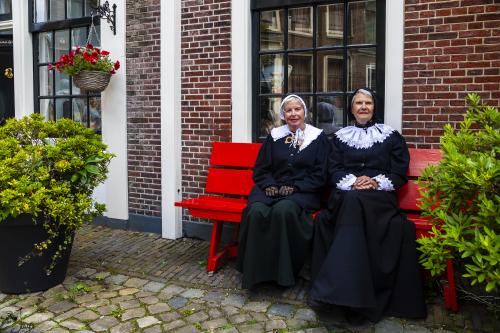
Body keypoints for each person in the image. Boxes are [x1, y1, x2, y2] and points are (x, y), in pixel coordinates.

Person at [309, 88, 427, 323]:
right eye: (358, 103)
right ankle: (349, 297)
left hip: (379, 197)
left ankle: (341, 296)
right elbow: (333, 169)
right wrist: (353, 182)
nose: (363, 107)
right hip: (346, 193)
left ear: (375, 107)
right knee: (352, 201)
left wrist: (374, 181)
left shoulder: (391, 136)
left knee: (356, 203)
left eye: (368, 103)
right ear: (351, 109)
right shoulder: (340, 137)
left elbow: (399, 171)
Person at [236, 94, 330, 289]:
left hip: (303, 191)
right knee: (255, 211)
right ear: (283, 114)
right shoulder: (275, 136)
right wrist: (269, 184)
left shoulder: (318, 138)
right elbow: (261, 168)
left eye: (297, 109)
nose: (293, 114)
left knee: (283, 211)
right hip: (271, 188)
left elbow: (320, 174)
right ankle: (256, 272)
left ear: (305, 112)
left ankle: (286, 272)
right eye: (289, 110)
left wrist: (297, 187)